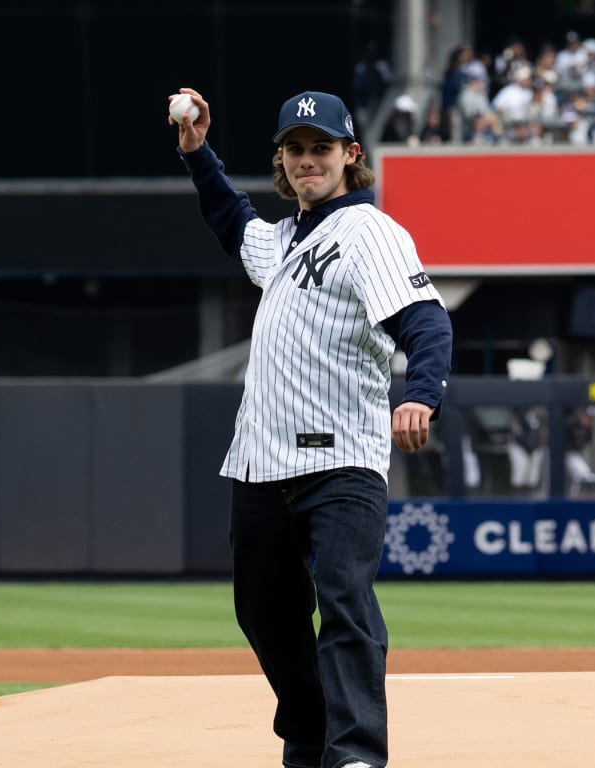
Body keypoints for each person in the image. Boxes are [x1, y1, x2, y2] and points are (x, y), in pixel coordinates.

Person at [170, 87, 453, 768]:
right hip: (259, 463)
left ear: (350, 154)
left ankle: (355, 754)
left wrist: (422, 394)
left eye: (321, 147)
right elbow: (231, 219)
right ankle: (309, 738)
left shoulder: (371, 233)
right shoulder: (284, 240)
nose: (307, 160)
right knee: (264, 614)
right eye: (295, 149)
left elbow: (425, 320)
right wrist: (198, 152)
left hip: (342, 462)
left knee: (345, 600)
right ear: (282, 160)